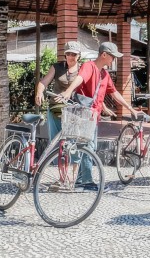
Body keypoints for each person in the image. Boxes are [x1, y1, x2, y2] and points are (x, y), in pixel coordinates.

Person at [59, 41, 139, 191]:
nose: (113, 60)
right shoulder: (89, 66)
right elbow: (80, 78)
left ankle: (81, 180)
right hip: (83, 114)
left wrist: (130, 108)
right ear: (104, 54)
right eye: (112, 57)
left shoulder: (104, 74)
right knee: (88, 147)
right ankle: (87, 182)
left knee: (89, 146)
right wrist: (69, 91)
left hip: (93, 116)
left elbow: (114, 93)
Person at [34, 41, 82, 144]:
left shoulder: (82, 69)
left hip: (74, 111)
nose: (71, 56)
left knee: (72, 143)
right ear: (65, 55)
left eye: (74, 54)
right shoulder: (56, 67)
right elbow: (43, 82)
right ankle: (55, 160)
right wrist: (39, 92)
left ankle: (70, 160)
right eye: (68, 54)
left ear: (79, 55)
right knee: (55, 142)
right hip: (56, 108)